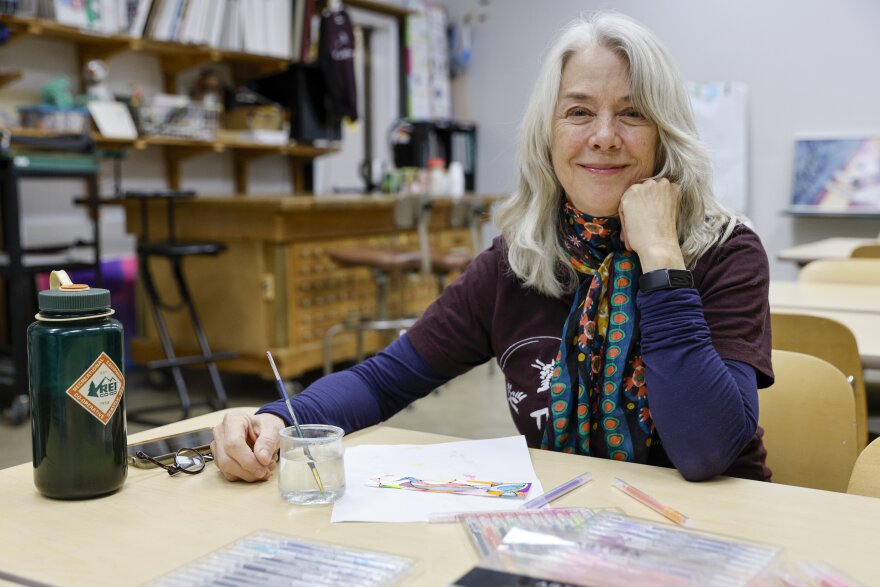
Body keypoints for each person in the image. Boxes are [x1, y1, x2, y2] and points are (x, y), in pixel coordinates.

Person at [211, 11, 773, 484]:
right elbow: (384, 380)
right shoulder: (518, 262)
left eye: (632, 112)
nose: (604, 134)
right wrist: (278, 419)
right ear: (547, 135)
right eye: (578, 111)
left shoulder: (726, 253)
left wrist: (660, 258)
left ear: (665, 131)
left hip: (710, 537)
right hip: (571, 529)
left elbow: (707, 452)